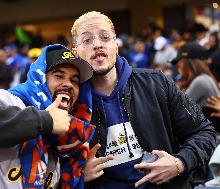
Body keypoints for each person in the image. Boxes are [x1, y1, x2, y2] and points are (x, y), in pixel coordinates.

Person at [71, 11, 216, 189]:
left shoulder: (155, 82)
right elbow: (47, 170)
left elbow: (204, 132)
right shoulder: (71, 104)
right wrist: (76, 175)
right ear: (75, 51)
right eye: (87, 40)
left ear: (115, 45)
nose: (97, 45)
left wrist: (179, 163)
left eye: (105, 37)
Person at [0, 44, 95, 189]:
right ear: (40, 78)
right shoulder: (7, 100)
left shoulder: (63, 141)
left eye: (74, 81)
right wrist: (45, 120)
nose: (68, 84)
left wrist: (79, 176)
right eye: (59, 76)